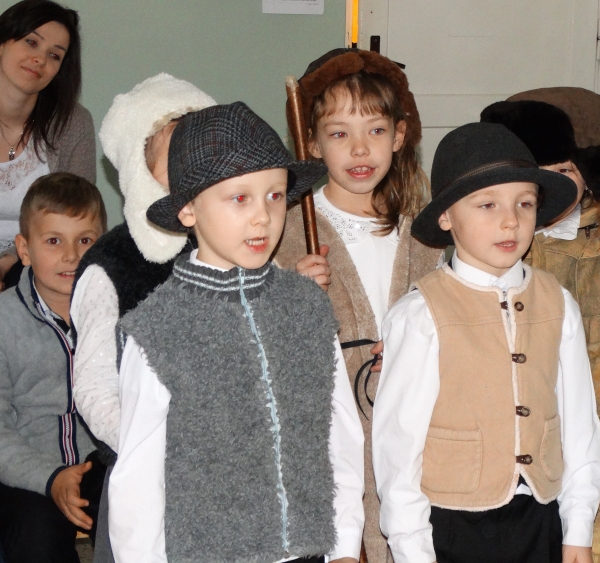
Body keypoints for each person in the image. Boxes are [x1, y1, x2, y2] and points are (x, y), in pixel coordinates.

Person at [108, 102, 365, 563]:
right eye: (239, 198)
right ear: (188, 209)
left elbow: (340, 434)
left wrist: (346, 544)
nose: (263, 217)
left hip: (311, 551)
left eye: (274, 195)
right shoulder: (158, 329)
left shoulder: (306, 307)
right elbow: (138, 482)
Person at [373, 122, 600, 563]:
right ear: (446, 217)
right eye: (487, 204)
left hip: (539, 517)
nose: (510, 220)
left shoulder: (558, 303)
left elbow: (580, 426)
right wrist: (412, 550)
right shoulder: (420, 315)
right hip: (451, 525)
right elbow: (397, 450)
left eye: (525, 203)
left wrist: (578, 528)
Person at [482, 93, 600, 563]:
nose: (550, 187)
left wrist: (574, 390)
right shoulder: (497, 245)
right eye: (536, 173)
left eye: (563, 171)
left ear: (589, 175)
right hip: (507, 432)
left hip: (595, 433)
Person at [273, 47, 441, 563]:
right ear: (312, 143)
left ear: (399, 136)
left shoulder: (425, 234)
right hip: (328, 439)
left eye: (375, 129)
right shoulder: (286, 233)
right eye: (340, 133)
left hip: (410, 434)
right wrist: (290, 295)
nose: (360, 148)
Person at [68, 73, 217, 563]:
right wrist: (156, 447)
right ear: (139, 166)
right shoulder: (110, 266)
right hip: (144, 479)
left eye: (201, 151)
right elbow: (94, 387)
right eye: (174, 155)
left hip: (225, 482)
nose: (190, 167)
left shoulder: (232, 249)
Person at [0, 172, 106, 563]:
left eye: (85, 240)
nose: (72, 255)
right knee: (35, 542)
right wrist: (51, 477)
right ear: (24, 250)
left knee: (143, 520)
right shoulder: (4, 322)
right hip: (27, 472)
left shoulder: (116, 314)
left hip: (101, 463)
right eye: (54, 241)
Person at [0, 0, 95, 290]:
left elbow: (74, 217)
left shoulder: (73, 122)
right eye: (31, 42)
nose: (40, 59)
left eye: (54, 55)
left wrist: (7, 262)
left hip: (36, 264)